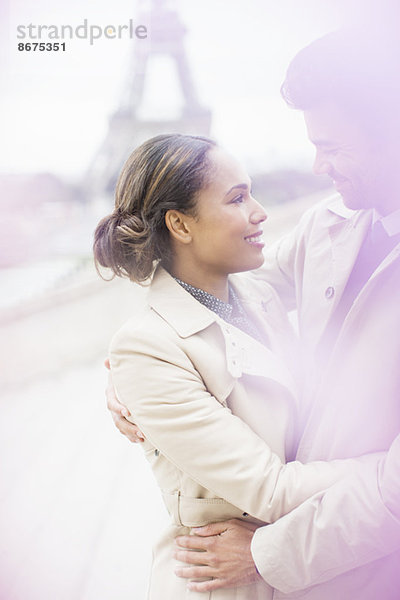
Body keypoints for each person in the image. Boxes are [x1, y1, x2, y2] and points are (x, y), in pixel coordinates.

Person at [107, 28, 400, 599]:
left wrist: (269, 553)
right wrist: (130, 367)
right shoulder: (328, 226)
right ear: (179, 222)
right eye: (237, 197)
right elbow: (210, 292)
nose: (318, 167)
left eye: (335, 147)